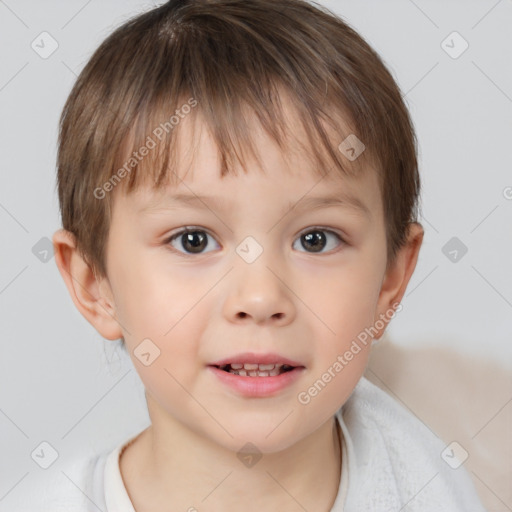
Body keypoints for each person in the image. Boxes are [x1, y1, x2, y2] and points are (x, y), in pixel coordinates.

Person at [44, 0, 487, 510]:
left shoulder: (435, 492)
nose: (259, 297)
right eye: (193, 240)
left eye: (315, 239)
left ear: (391, 278)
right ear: (94, 283)